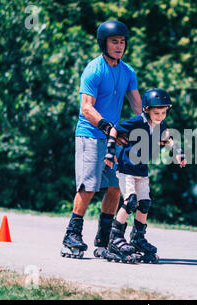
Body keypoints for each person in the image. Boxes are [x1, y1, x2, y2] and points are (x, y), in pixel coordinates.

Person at [61, 20, 142, 259]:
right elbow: (86, 107)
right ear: (103, 43)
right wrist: (107, 126)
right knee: (89, 186)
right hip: (90, 134)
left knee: (116, 187)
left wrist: (150, 125)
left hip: (113, 137)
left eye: (122, 42)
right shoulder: (94, 70)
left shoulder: (128, 72)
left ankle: (105, 238)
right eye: (114, 41)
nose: (119, 46)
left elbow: (137, 104)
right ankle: (72, 234)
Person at [103, 88, 186, 263]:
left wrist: (178, 152)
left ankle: (137, 238)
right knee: (130, 201)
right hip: (127, 168)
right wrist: (110, 152)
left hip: (142, 169)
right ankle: (114, 239)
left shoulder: (160, 125)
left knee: (145, 203)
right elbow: (113, 129)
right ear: (146, 109)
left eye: (164, 113)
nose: (161, 116)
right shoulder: (136, 122)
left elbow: (169, 138)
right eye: (157, 113)